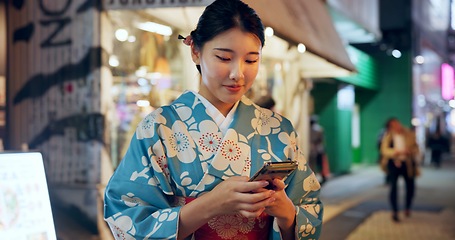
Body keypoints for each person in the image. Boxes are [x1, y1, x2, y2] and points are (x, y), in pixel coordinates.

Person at [103, 0, 323, 239]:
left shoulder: (279, 130)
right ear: (196, 51)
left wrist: (287, 213)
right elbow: (126, 218)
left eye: (251, 60)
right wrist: (211, 205)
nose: (237, 74)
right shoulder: (158, 128)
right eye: (224, 57)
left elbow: (309, 207)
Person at [380, 118, 420, 222]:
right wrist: (394, 152)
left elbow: (416, 148)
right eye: (394, 125)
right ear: (390, 127)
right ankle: (395, 211)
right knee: (393, 187)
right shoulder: (388, 136)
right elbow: (384, 150)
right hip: (393, 163)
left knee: (410, 186)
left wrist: (410, 151)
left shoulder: (408, 134)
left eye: (397, 123)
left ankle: (407, 207)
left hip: (407, 164)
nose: (397, 126)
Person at [309, 115, 327, 185]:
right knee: (320, 164)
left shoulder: (309, 129)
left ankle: (315, 177)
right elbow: (321, 139)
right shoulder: (319, 129)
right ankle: (322, 176)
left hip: (312, 148)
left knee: (313, 164)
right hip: (319, 148)